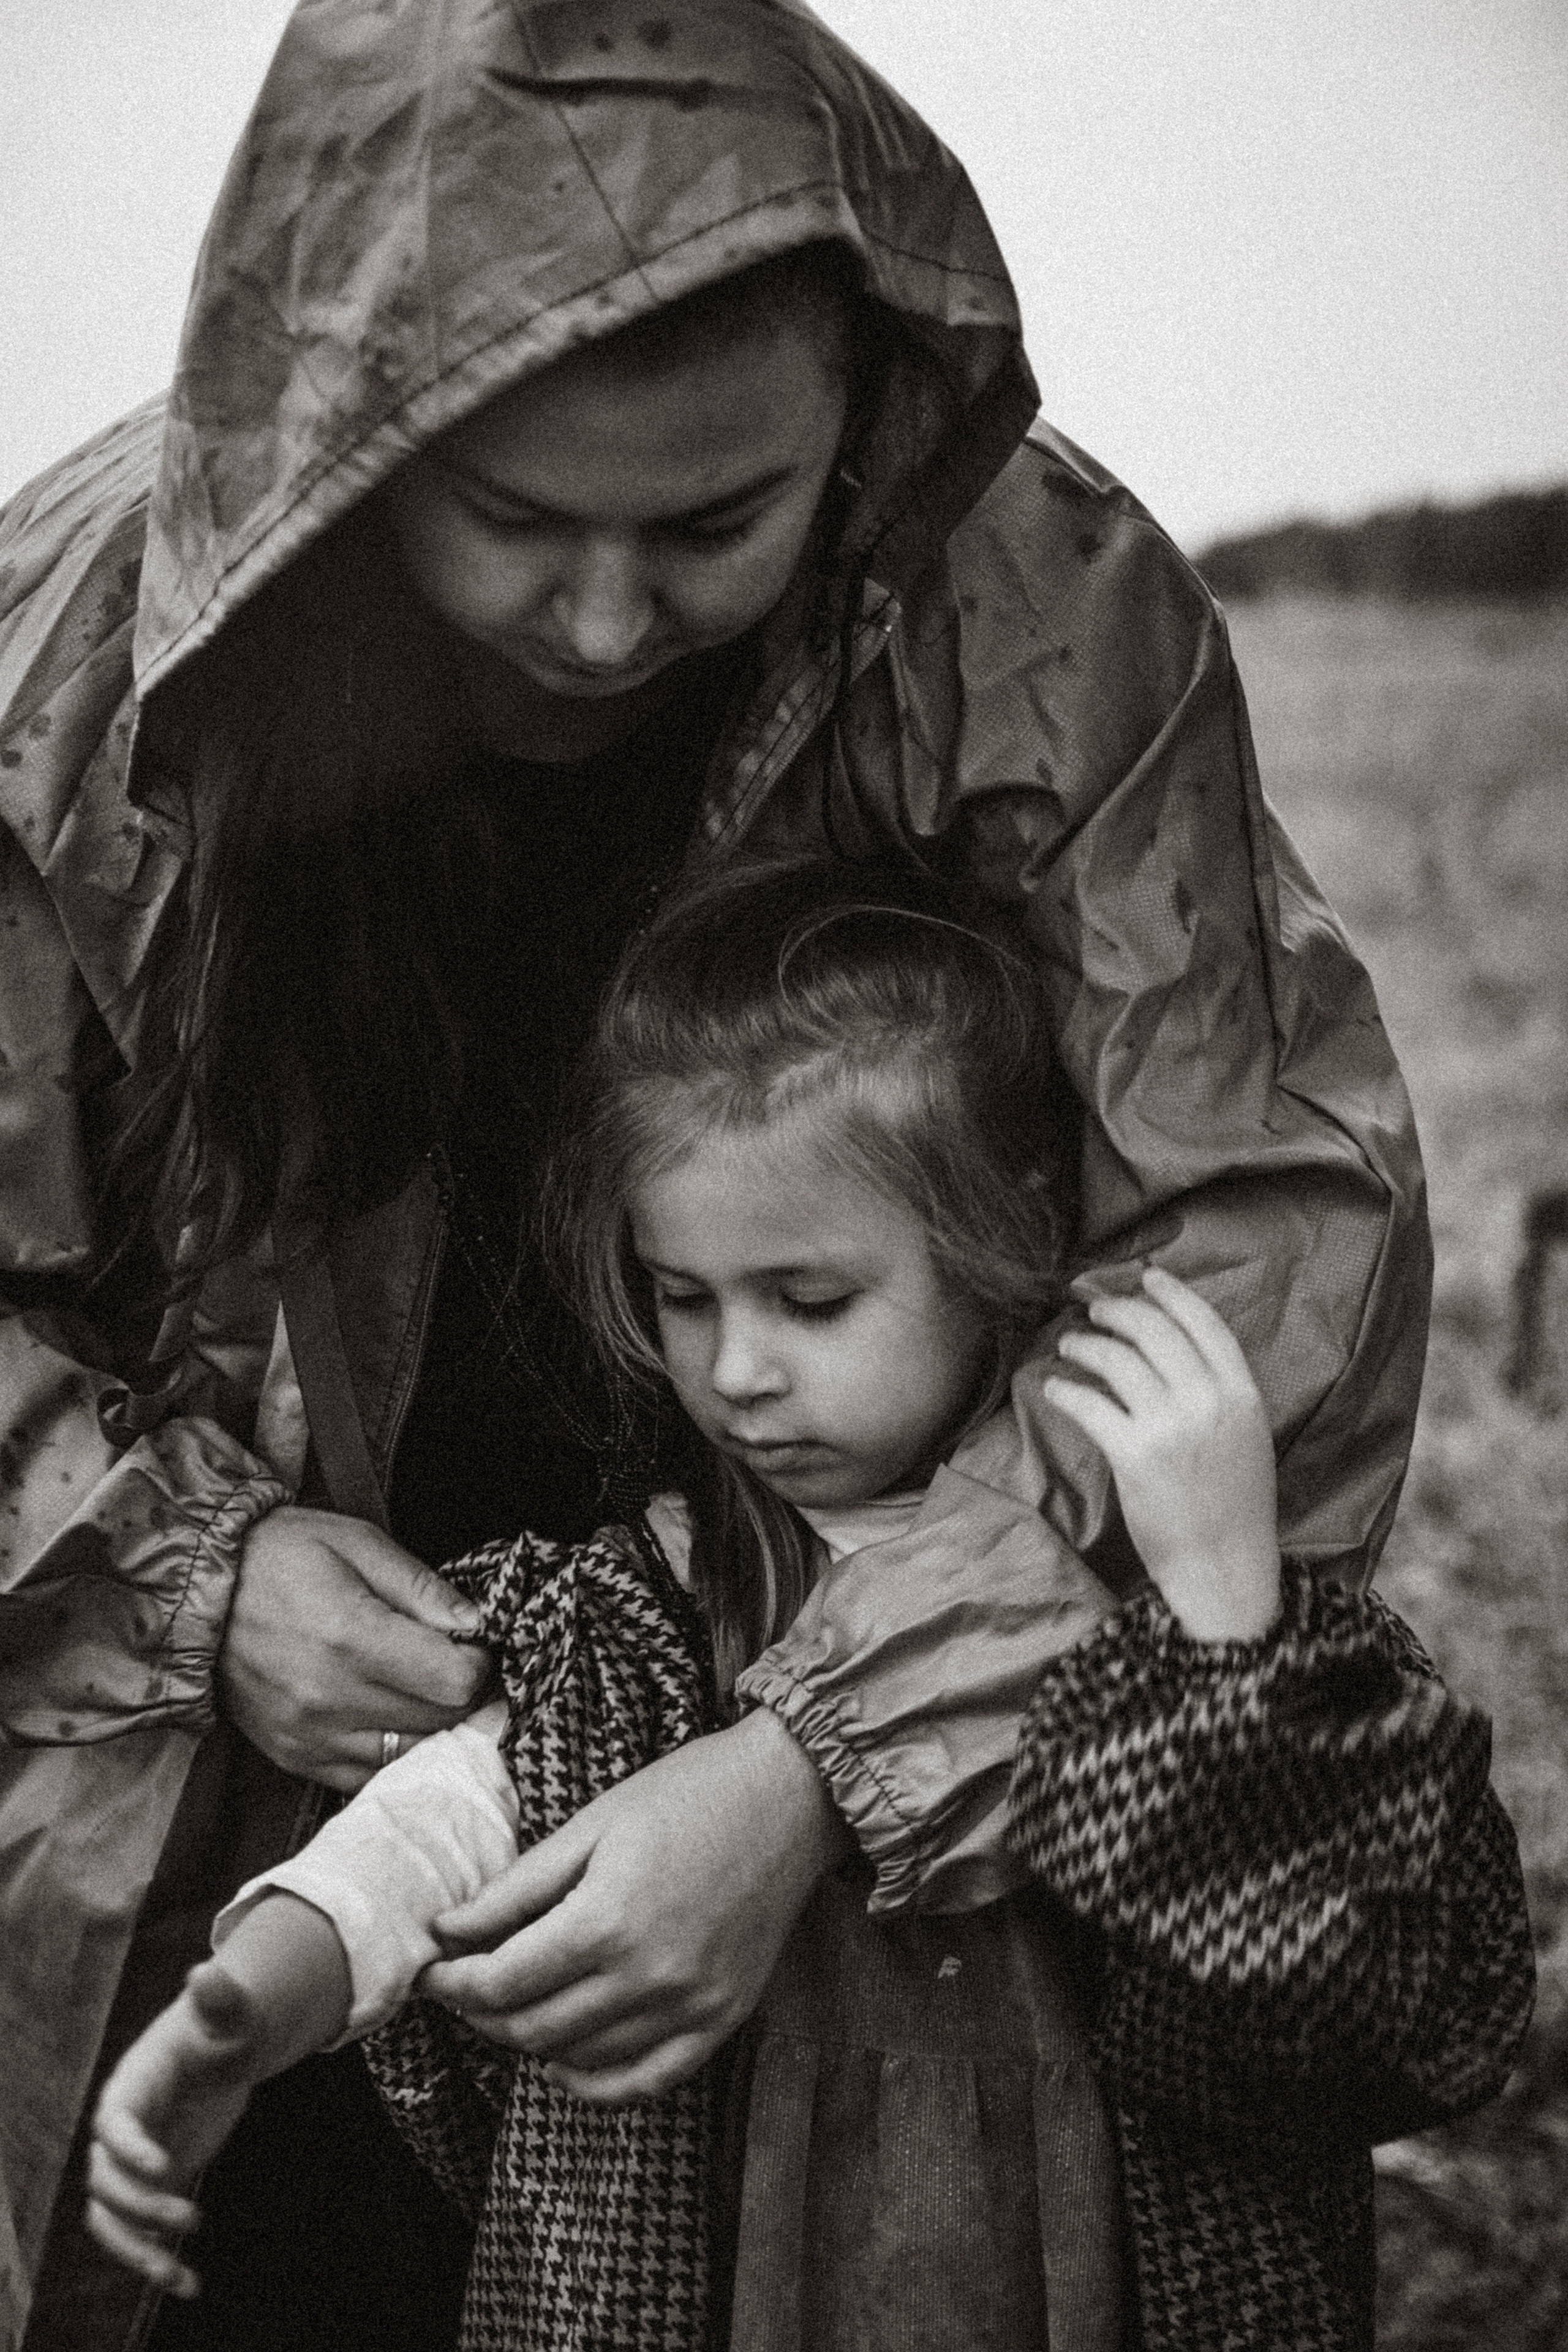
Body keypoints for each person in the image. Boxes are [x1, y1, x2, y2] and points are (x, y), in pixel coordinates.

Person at [0, 2, 1431, 2345]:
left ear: (862, 416)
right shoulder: (60, 655)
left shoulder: (1045, 616)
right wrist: (183, 1577)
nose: (597, 623)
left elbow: (1268, 1237)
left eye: (709, 527)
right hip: (205, 1782)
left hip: (886, 1760)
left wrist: (822, 1760)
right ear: (348, 441)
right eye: (513, 523)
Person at [83, 860, 1531, 2352]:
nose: (735, 1373)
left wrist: (1225, 1628)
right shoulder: (640, 1611)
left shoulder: (1154, 1594)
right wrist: (244, 2009)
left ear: (1010, 1237)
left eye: (810, 1300)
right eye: (682, 1297)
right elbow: (437, 1831)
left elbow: (1389, 2026)